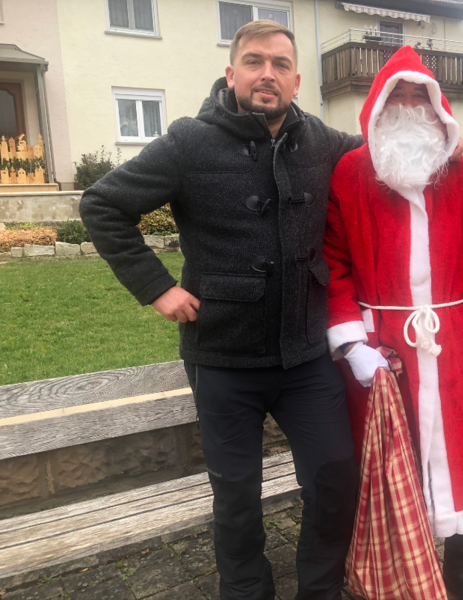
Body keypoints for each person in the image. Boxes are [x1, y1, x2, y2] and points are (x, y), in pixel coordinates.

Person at [80, 20, 369, 600]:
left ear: (296, 80)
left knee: (337, 476)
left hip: (306, 355)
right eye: (255, 62)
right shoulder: (190, 141)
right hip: (221, 356)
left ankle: (321, 589)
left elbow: (380, 152)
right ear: (232, 73)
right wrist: (157, 288)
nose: (268, 74)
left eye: (281, 64)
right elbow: (102, 204)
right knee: (236, 497)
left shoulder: (322, 141)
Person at [323, 46, 463, 600]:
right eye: (395, 95)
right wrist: (351, 343)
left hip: (452, 344)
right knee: (388, 460)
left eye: (417, 96)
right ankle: (395, 571)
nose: (407, 105)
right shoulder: (351, 173)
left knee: (461, 457)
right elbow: (332, 263)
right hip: (384, 350)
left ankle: (460, 569)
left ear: (436, 106)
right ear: (377, 106)